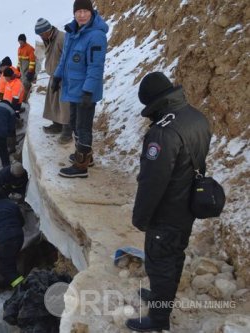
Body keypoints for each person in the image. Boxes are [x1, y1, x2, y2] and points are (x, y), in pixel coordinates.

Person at [125, 72, 211, 332]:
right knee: (174, 256)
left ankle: (158, 320)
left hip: (167, 211)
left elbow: (152, 183)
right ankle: (161, 298)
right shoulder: (196, 116)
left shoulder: (163, 133)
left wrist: (140, 218)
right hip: (187, 206)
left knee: (160, 262)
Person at [54, 0, 108, 178]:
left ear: (91, 13)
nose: (82, 15)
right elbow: (65, 58)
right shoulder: (72, 31)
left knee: (83, 127)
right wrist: (57, 76)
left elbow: (96, 67)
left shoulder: (96, 36)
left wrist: (88, 91)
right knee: (75, 122)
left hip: (85, 90)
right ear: (74, 13)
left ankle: (81, 166)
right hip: (73, 88)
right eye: (79, 11)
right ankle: (86, 155)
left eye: (85, 11)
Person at [35, 18, 72, 144]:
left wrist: (62, 75)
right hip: (54, 76)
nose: (41, 36)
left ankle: (67, 132)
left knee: (64, 104)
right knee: (53, 102)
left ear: (47, 30)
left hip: (64, 77)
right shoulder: (49, 39)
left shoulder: (62, 38)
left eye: (41, 34)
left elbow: (69, 58)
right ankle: (57, 125)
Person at [17, 33, 36, 102]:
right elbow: (19, 60)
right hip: (22, 70)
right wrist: (18, 68)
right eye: (19, 42)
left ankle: (24, 100)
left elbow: (32, 61)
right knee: (22, 84)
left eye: (21, 42)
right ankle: (24, 99)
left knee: (26, 84)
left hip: (27, 70)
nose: (20, 44)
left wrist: (30, 72)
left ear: (24, 41)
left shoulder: (30, 49)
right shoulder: (19, 49)